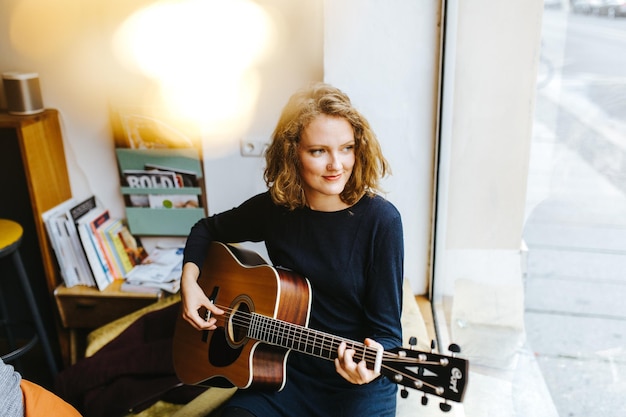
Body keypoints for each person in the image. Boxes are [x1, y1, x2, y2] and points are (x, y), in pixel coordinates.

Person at [180, 82, 404, 417]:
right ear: (291, 153)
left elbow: (387, 332)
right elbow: (205, 230)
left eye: (347, 148)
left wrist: (372, 364)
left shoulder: (381, 221)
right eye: (318, 151)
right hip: (285, 375)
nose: (336, 165)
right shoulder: (276, 210)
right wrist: (189, 285)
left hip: (357, 387)